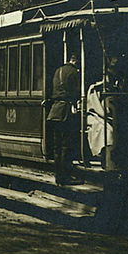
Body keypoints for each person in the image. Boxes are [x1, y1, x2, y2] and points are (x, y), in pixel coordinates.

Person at [48, 54, 81, 185]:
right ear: (75, 61)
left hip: (55, 111)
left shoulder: (58, 70)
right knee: (66, 145)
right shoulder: (74, 72)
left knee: (57, 146)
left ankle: (59, 176)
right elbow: (76, 91)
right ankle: (66, 176)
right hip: (65, 111)